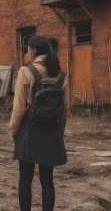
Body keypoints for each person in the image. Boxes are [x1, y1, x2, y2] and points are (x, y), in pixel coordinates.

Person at [8, 35, 70, 211]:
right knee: (47, 180)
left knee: (25, 179)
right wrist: (59, 132)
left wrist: (13, 130)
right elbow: (65, 110)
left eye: (27, 50)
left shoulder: (26, 71)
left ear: (33, 51)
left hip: (29, 130)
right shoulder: (61, 75)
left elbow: (19, 106)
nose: (27, 54)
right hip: (52, 130)